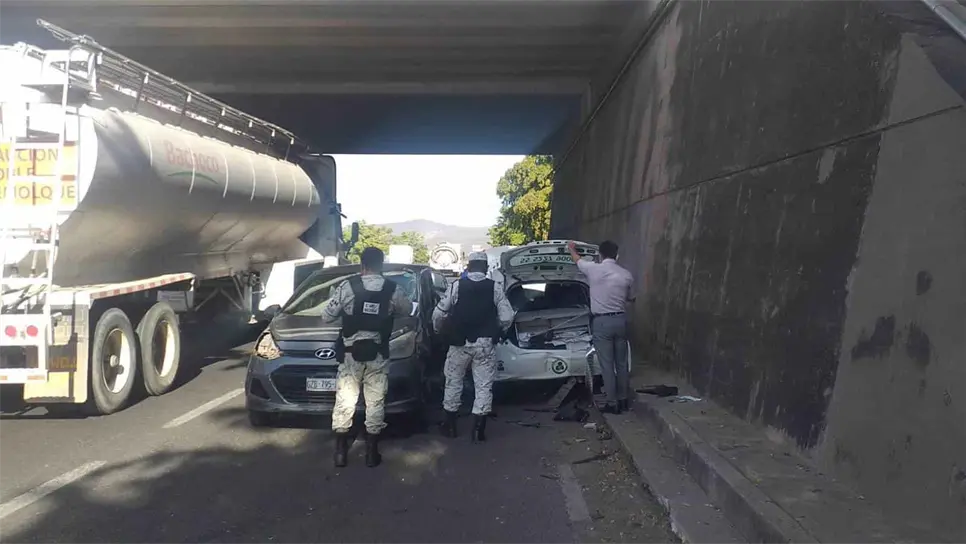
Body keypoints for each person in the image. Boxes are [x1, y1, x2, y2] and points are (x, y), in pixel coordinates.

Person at [322, 247, 416, 468]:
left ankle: (340, 453)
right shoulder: (393, 289)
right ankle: (372, 453)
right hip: (378, 354)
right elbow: (407, 310)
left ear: (362, 265)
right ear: (381, 265)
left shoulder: (347, 286)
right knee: (375, 401)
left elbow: (327, 316)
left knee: (345, 399)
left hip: (350, 355)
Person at [433, 251, 514, 442]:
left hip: (459, 343)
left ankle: (450, 426)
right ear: (486, 268)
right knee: (484, 386)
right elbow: (507, 316)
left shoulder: (456, 285)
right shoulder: (495, 287)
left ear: (468, 267)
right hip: (485, 344)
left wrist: (438, 331)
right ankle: (478, 431)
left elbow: (439, 314)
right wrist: (498, 330)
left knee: (453, 382)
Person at [567, 240, 635, 414]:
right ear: (617, 255)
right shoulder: (626, 275)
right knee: (621, 363)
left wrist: (571, 248)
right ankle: (623, 400)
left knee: (607, 364)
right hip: (621, 321)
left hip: (602, 322)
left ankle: (612, 403)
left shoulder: (593, 269)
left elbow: (577, 260)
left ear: (600, 255)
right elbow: (630, 298)